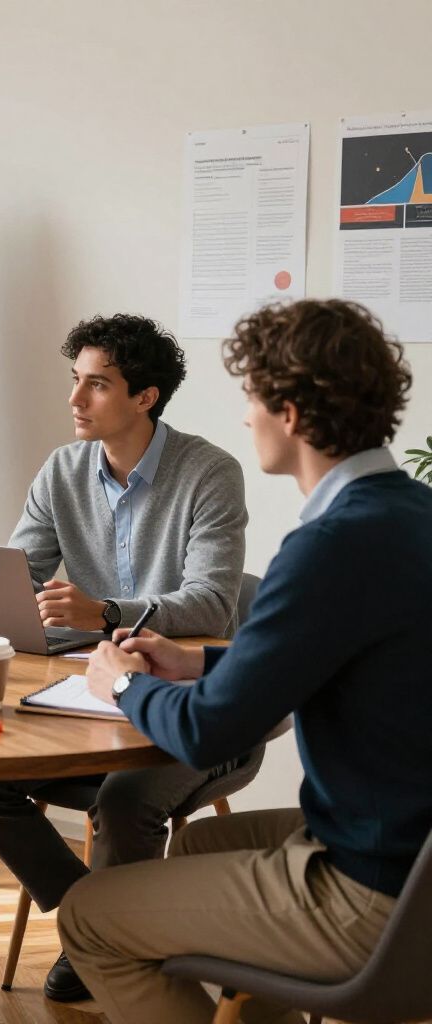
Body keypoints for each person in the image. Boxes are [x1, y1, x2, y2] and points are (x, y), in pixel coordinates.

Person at [61, 298, 431, 1024]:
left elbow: (207, 735)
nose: (246, 417)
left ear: (290, 413)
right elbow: (341, 655)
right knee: (201, 841)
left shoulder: (331, 545)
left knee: (89, 917)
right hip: (410, 855)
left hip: (369, 889)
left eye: (254, 399)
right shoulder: (410, 514)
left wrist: (126, 683)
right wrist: (198, 663)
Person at [0, 313, 254, 1002]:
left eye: (96, 385)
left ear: (145, 397)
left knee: (124, 800)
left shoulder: (209, 472)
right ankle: (94, 926)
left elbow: (212, 604)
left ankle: (103, 946)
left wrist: (106, 613)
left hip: (193, 707)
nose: (75, 400)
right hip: (89, 696)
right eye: (75, 381)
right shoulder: (63, 470)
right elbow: (17, 579)